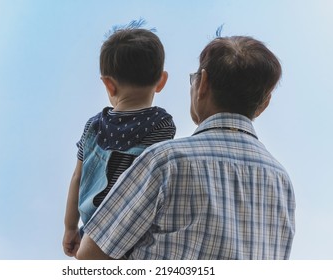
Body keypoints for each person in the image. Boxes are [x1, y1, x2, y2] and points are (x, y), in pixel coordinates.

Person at [76, 36, 296, 260]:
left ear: (203, 84)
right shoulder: (281, 182)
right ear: (264, 103)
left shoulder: (165, 161)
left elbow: (89, 256)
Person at [62, 21, 176, 258]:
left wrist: (70, 227)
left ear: (108, 84)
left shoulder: (94, 126)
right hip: (133, 234)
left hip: (91, 232)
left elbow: (77, 177)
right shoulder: (161, 124)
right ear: (162, 80)